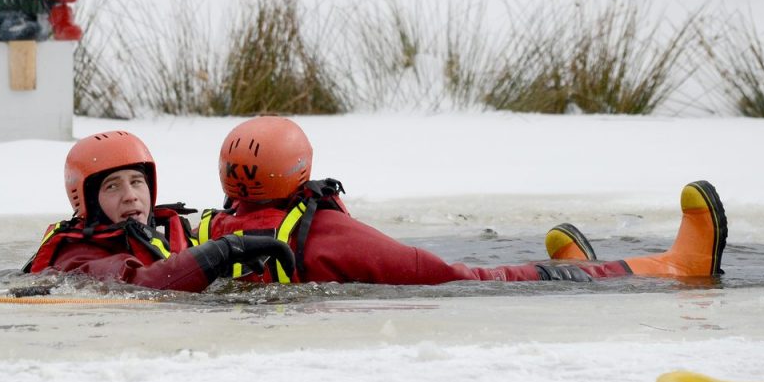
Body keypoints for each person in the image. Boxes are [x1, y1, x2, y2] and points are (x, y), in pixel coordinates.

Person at [195, 116, 728, 285]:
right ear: (300, 170)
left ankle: (577, 269)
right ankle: (678, 266)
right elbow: (446, 277)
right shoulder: (333, 235)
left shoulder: (212, 232)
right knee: (480, 278)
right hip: (423, 288)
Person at [23, 130, 295, 293]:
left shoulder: (163, 230)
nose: (130, 196)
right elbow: (141, 286)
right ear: (87, 201)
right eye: (112, 186)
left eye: (137, 182)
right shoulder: (79, 256)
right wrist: (221, 251)